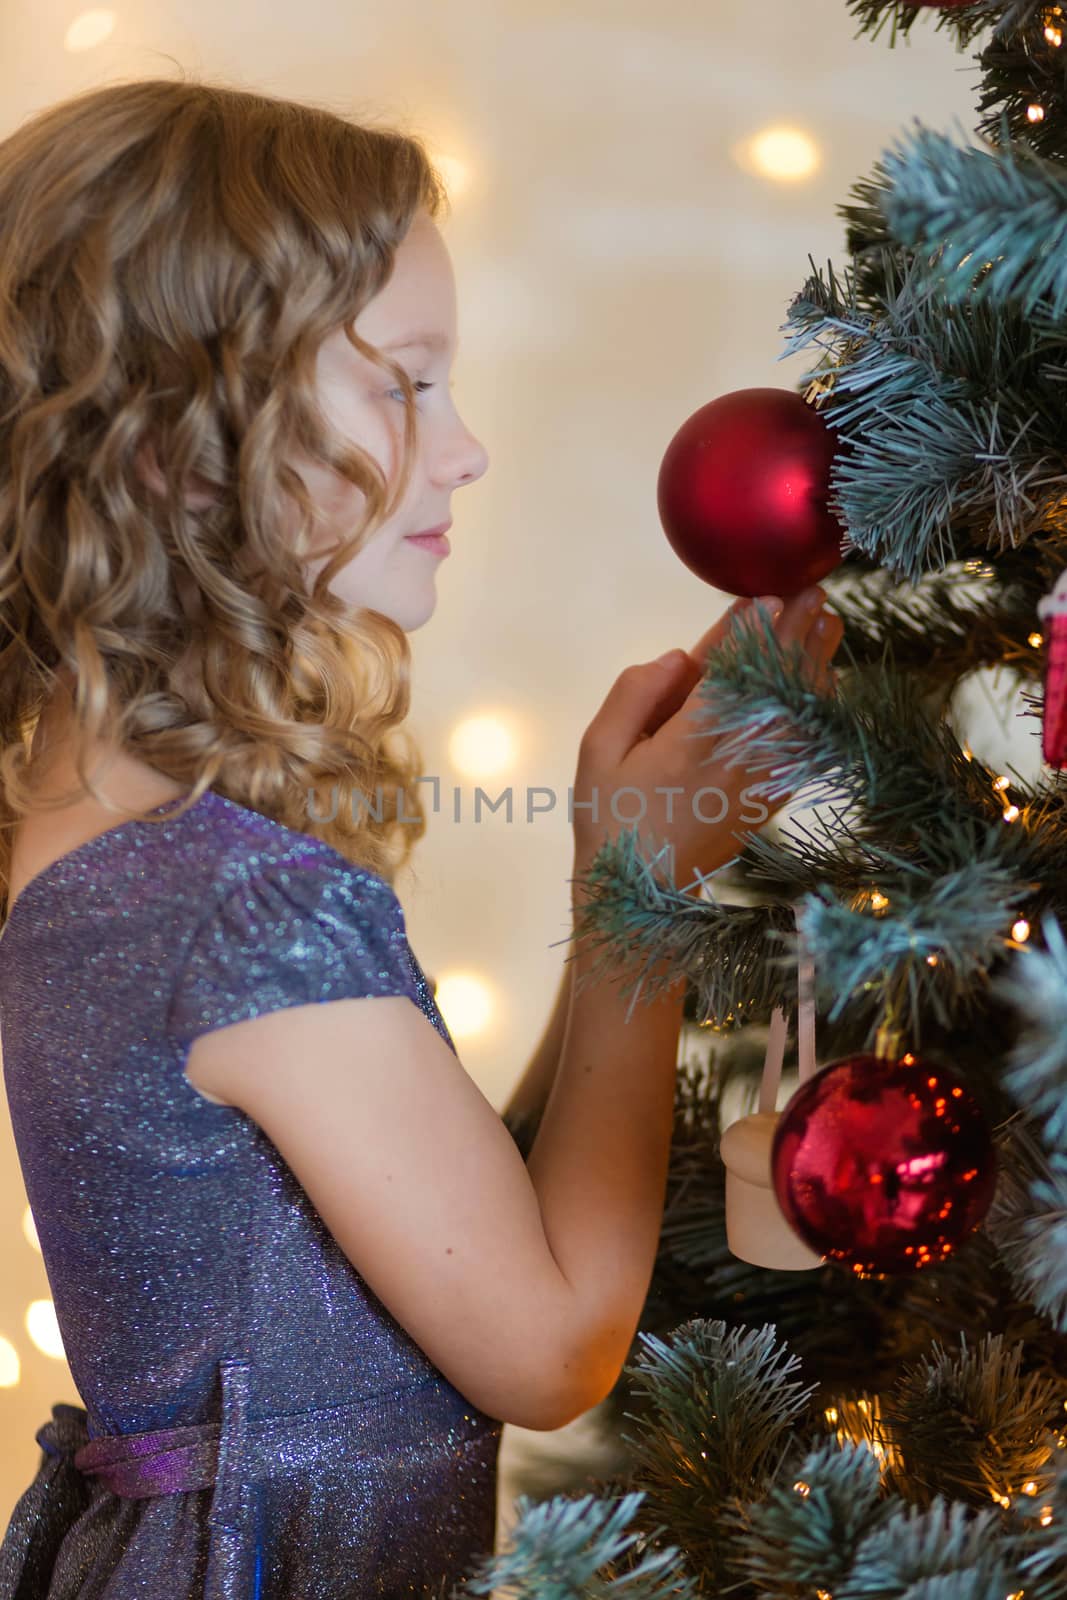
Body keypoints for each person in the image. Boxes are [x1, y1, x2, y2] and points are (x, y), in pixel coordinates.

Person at [0, 75, 844, 1600]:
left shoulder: (92, 831)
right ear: (176, 451)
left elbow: (464, 1220)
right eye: (408, 385)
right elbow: (549, 1341)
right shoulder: (238, 911)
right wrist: (638, 888)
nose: (464, 453)